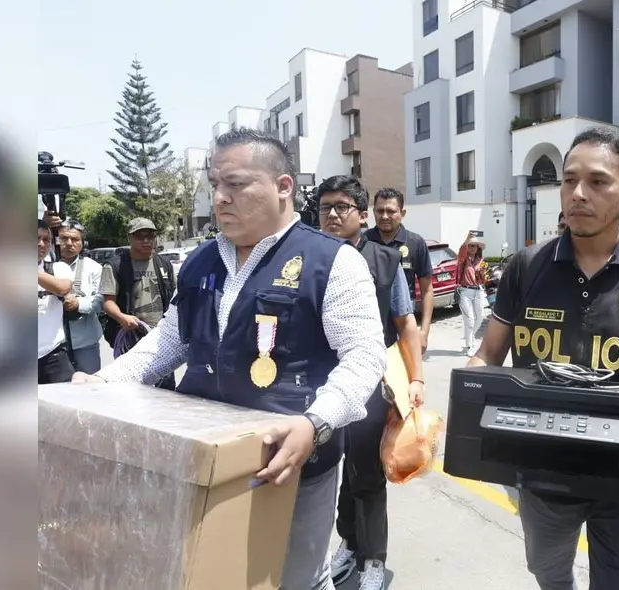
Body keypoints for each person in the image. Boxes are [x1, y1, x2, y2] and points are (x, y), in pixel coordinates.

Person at [73, 128, 388, 590]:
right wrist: (105, 383)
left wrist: (316, 423)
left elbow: (363, 356)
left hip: (291, 466)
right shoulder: (200, 262)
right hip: (204, 462)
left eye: (236, 184)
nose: (220, 198)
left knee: (290, 579)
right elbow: (170, 342)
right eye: (215, 184)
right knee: (206, 576)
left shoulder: (332, 262)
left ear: (284, 187)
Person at [469, 127, 619, 590]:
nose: (578, 194)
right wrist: (466, 397)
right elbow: (487, 356)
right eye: (568, 180)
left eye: (598, 182)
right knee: (548, 573)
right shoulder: (526, 267)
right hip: (541, 469)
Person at [315, 175, 425, 590]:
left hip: (369, 382)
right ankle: (349, 541)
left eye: (342, 206)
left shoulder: (385, 260)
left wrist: (416, 377)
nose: (332, 214)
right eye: (325, 207)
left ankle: (373, 560)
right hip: (319, 384)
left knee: (366, 473)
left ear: (362, 215)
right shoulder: (310, 257)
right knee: (334, 469)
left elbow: (404, 323)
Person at [100, 217, 177, 387]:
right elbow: (107, 303)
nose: (146, 241)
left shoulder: (164, 264)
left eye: (150, 236)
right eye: (140, 236)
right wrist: (122, 317)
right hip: (130, 335)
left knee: (165, 387)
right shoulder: (115, 265)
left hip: (160, 336)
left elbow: (173, 299)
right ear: (130, 238)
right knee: (132, 386)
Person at [364, 188, 434, 355]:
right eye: (380, 211)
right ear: (373, 212)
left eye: (391, 211)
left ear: (402, 213)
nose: (385, 216)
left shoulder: (416, 243)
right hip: (371, 324)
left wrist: (424, 332)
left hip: (404, 322)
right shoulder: (364, 241)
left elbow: (427, 291)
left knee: (405, 377)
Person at [56, 220, 105, 374]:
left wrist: (78, 304)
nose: (69, 243)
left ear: (83, 243)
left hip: (84, 342)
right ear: (55, 240)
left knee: (88, 388)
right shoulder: (44, 266)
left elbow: (101, 299)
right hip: (52, 345)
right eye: (64, 238)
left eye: (75, 239)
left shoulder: (94, 268)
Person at [38, 219, 75, 384]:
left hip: (52, 355)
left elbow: (62, 288)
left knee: (62, 407)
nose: (41, 244)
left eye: (46, 240)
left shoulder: (58, 268)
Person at [456, 231, 489, 355]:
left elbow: (484, 278)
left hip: (478, 291)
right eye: (470, 245)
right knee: (469, 320)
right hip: (465, 291)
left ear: (478, 248)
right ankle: (469, 345)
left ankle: (470, 336)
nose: (472, 248)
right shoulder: (464, 260)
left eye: (474, 246)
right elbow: (461, 252)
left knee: (480, 318)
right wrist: (466, 240)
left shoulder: (481, 260)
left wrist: (484, 275)